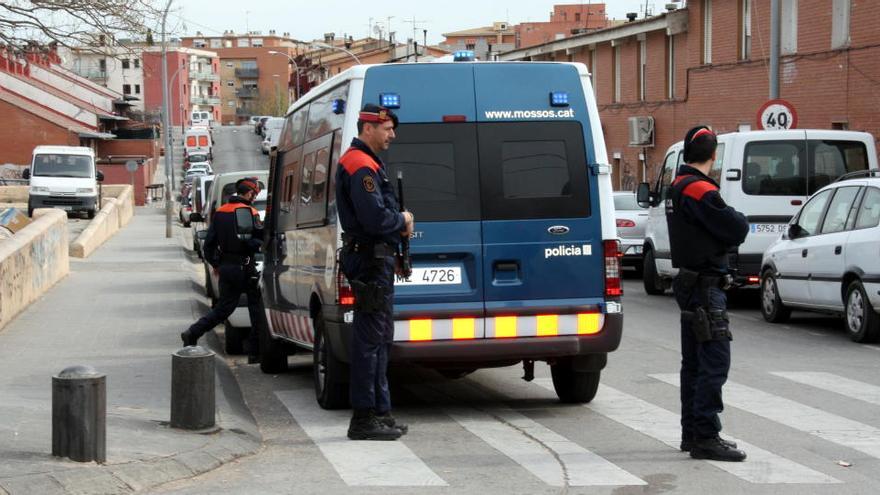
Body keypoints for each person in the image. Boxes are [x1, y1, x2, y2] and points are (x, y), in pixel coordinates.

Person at [666, 126, 750, 462]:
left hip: (689, 283)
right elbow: (737, 228)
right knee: (715, 360)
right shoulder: (700, 189)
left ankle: (692, 433)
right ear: (713, 155)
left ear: (687, 152)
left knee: (694, 363)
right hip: (705, 287)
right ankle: (706, 436)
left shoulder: (676, 186)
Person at [336, 104, 414, 441]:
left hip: (376, 259)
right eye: (387, 129)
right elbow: (376, 220)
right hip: (368, 261)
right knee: (369, 341)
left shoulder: (368, 163)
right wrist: (404, 221)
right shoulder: (359, 165)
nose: (392, 135)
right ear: (369, 128)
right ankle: (363, 418)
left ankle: (380, 413)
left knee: (381, 339)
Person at [182, 177, 264, 364]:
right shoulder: (250, 212)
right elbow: (255, 242)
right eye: (254, 194)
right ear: (250, 193)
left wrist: (217, 264)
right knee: (256, 311)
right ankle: (255, 353)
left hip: (226, 268)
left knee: (223, 309)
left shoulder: (220, 212)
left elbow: (209, 245)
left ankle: (192, 333)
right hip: (246, 268)